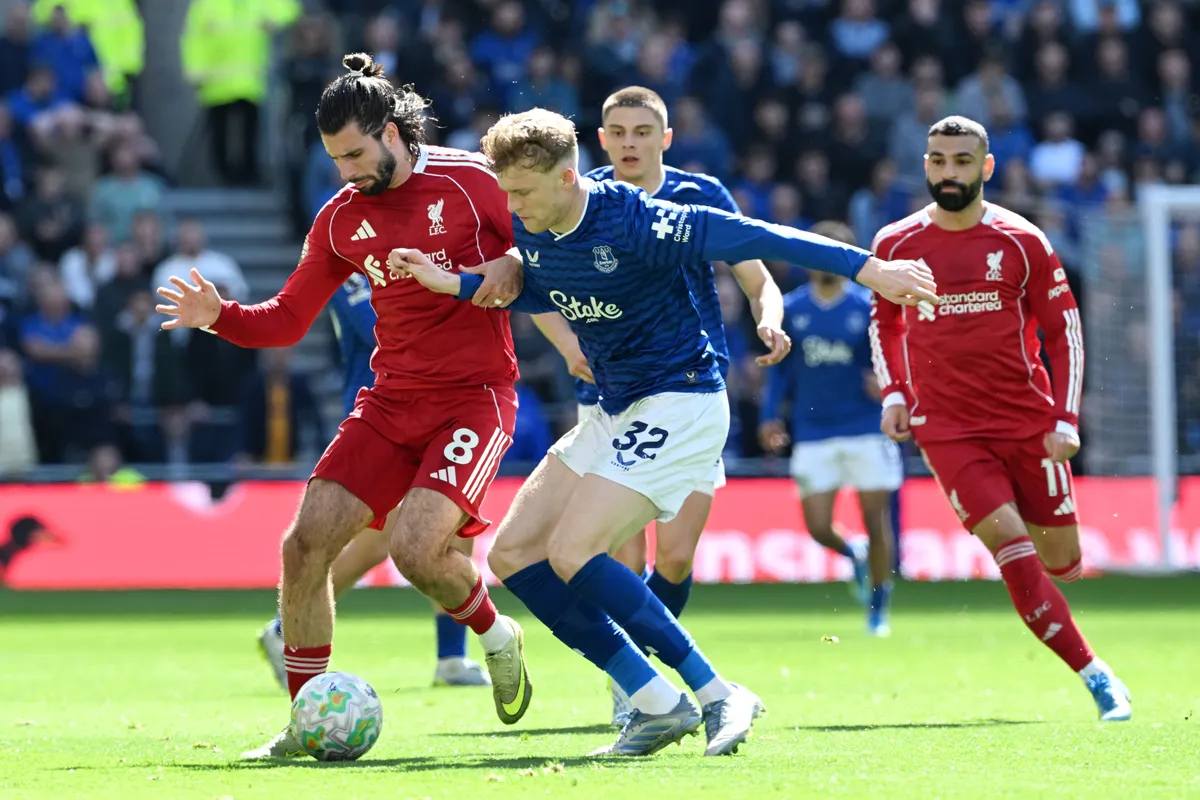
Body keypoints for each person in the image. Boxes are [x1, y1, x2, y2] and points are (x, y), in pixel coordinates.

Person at [390, 108, 937, 756]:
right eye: (507, 192)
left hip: (681, 400)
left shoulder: (639, 219)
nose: (512, 207)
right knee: (513, 555)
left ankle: (715, 693)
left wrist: (873, 270)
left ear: (568, 178)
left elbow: (759, 237)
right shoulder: (532, 222)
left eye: (523, 193)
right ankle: (654, 704)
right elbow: (540, 289)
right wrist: (452, 281)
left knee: (578, 550)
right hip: (616, 406)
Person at [156, 54, 533, 759]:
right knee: (302, 548)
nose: (345, 171)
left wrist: (500, 271)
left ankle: (496, 634)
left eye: (356, 154)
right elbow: (287, 319)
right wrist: (219, 316)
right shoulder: (339, 219)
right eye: (334, 159)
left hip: (472, 400)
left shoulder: (474, 181)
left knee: (416, 551)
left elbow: (536, 255)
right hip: (389, 402)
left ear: (393, 133)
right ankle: (306, 725)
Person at [530, 86, 792, 726]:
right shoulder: (579, 196)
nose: (629, 142)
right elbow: (529, 280)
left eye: (642, 131)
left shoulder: (698, 195)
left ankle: (660, 687)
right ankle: (643, 693)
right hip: (608, 398)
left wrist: (771, 319)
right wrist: (569, 347)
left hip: (686, 394)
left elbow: (756, 275)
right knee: (618, 553)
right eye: (617, 131)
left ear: (665, 138)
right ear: (601, 137)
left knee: (675, 555)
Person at [870, 115, 1131, 722]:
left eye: (962, 162)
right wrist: (895, 393)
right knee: (1010, 545)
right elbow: (884, 321)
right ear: (926, 165)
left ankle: (1049, 594)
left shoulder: (1022, 241)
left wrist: (1065, 416)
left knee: (1062, 560)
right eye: (938, 161)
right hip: (948, 427)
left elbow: (1063, 332)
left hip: (1027, 421)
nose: (949, 173)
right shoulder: (895, 245)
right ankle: (1097, 676)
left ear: (985, 168)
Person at [255, 270, 490, 690]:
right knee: (385, 539)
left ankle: (452, 657)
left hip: (436, 398)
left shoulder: (419, 235)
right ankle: (282, 628)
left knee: (454, 520)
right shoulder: (351, 254)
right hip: (380, 409)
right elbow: (376, 325)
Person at [759, 220, 901, 637]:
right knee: (818, 526)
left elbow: (890, 358)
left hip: (865, 427)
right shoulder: (793, 308)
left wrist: (886, 385)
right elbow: (779, 372)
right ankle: (851, 553)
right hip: (813, 429)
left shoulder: (866, 306)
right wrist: (771, 415)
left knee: (876, 519)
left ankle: (878, 607)